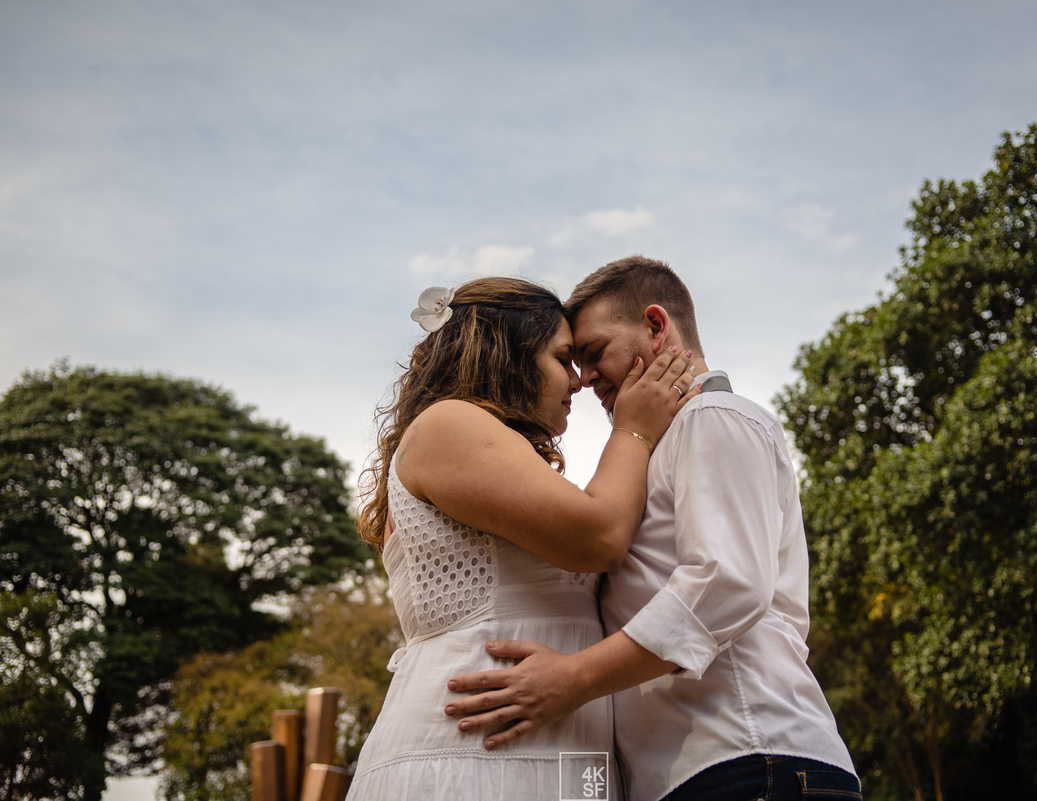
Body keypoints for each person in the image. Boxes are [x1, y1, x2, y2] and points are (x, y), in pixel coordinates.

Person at [444, 258, 860, 801]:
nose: (583, 377)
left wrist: (574, 678)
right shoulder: (657, 451)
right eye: (572, 360)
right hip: (697, 771)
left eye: (593, 354)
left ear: (656, 326)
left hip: (750, 753)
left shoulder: (714, 417)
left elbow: (726, 583)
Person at [346, 276, 699, 801]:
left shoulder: (503, 460)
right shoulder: (445, 425)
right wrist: (635, 430)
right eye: (561, 359)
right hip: (470, 754)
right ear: (507, 356)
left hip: (569, 764)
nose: (579, 381)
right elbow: (599, 535)